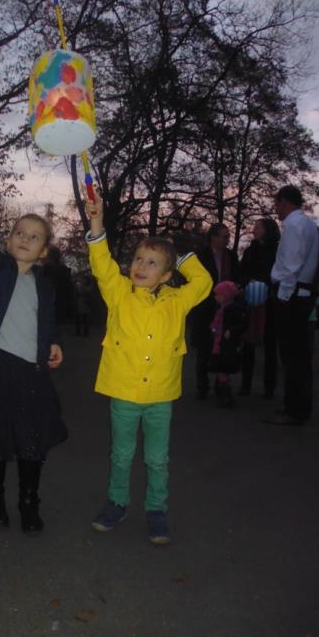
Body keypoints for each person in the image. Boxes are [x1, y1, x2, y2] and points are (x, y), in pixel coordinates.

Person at [84, 192, 212, 545]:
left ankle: (156, 510)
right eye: (138, 259)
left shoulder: (177, 300)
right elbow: (101, 263)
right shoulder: (119, 293)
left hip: (160, 396)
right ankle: (117, 503)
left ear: (168, 274)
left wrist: (180, 254)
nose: (140, 266)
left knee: (157, 459)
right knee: (121, 454)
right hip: (123, 392)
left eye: (152, 262)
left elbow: (204, 283)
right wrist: (97, 221)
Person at [0, 153, 67, 533]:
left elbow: (46, 324)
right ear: (7, 240)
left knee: (32, 441)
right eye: (20, 232)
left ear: (44, 251)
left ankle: (29, 502)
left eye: (35, 236)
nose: (26, 238)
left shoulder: (45, 285)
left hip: (30, 373)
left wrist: (52, 344)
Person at [266, 185, 319, 426]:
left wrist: (283, 296)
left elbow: (291, 265)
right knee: (300, 355)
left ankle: (293, 410)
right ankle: (299, 407)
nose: (276, 208)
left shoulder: (295, 226)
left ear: (285, 201)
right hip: (303, 292)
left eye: (277, 203)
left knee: (291, 355)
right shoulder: (308, 225)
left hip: (292, 294)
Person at [191, 223, 240, 399]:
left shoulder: (232, 257)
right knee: (204, 348)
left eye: (228, 236)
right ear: (213, 237)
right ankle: (202, 387)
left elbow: (237, 278)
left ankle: (221, 386)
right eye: (224, 236)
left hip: (226, 307)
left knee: (224, 349)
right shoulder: (201, 256)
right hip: (205, 306)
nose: (227, 239)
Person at [238, 218, 280, 398]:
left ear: (267, 230)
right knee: (248, 344)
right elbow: (241, 272)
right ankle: (245, 385)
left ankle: (269, 388)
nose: (254, 229)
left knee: (270, 346)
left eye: (257, 227)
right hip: (251, 301)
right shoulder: (250, 251)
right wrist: (249, 282)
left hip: (270, 303)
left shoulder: (278, 251)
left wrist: (266, 284)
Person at [208, 281, 247, 408]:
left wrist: (231, 331)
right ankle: (223, 393)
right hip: (222, 343)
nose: (216, 298)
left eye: (218, 295)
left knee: (222, 369)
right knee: (222, 369)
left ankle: (224, 395)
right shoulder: (225, 309)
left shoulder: (230, 310)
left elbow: (241, 324)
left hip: (225, 345)